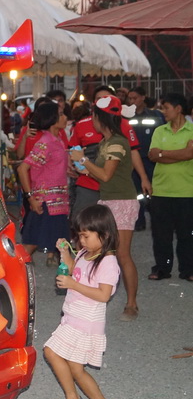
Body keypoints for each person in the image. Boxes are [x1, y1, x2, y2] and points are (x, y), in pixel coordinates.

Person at [71, 95, 149, 321]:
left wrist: (83, 161)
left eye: (93, 116)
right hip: (110, 200)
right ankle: (100, 294)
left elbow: (106, 175)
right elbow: (104, 175)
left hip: (121, 202)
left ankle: (132, 304)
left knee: (122, 254)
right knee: (106, 251)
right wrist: (85, 168)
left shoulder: (115, 142)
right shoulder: (107, 141)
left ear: (99, 118)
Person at [43, 204, 120, 399]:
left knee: (75, 368)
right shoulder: (86, 253)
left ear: (104, 235)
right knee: (52, 352)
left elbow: (104, 295)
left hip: (87, 323)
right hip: (72, 317)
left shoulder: (108, 262)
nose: (81, 241)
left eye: (86, 236)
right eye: (79, 236)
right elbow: (73, 269)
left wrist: (73, 285)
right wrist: (65, 253)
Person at [66, 85, 146, 224]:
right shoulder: (99, 137)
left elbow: (106, 175)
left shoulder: (117, 138)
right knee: (87, 226)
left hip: (116, 193)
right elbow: (72, 150)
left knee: (110, 232)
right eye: (99, 99)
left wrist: (83, 160)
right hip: (93, 187)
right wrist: (81, 169)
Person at [146, 93, 193, 281]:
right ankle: (162, 269)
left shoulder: (192, 130)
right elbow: (152, 155)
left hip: (187, 191)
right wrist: (184, 153)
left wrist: (163, 154)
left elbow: (190, 154)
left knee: (187, 234)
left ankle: (188, 270)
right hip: (161, 191)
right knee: (160, 235)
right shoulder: (160, 131)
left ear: (178, 108)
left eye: (166, 108)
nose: (163, 111)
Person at [16, 99, 69, 264]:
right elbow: (22, 168)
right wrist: (30, 197)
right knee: (31, 244)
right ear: (52, 119)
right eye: (61, 114)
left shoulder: (58, 140)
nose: (65, 117)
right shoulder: (46, 143)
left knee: (60, 244)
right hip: (46, 203)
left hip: (57, 202)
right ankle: (12, 271)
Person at [125, 86, 164, 231]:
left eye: (135, 98)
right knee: (136, 192)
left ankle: (158, 222)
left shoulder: (155, 115)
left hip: (151, 160)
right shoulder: (126, 117)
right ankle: (139, 221)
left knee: (155, 190)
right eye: (130, 98)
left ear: (143, 97)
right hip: (133, 160)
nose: (132, 101)